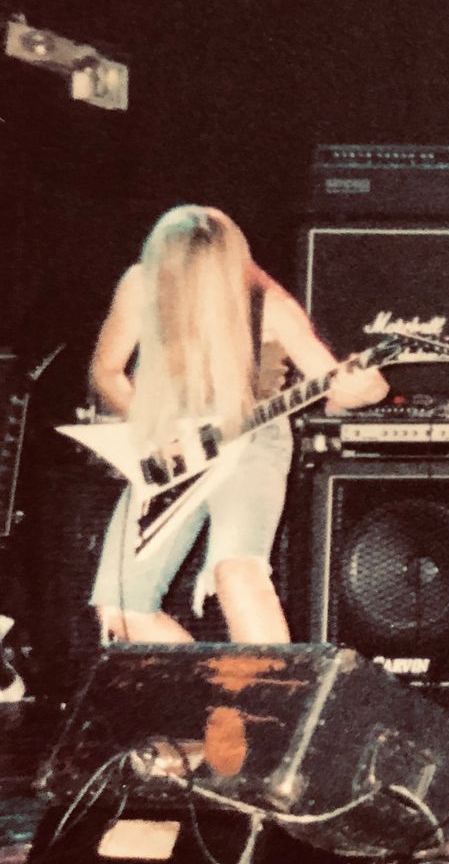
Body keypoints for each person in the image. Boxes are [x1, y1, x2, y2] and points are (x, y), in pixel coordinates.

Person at [89, 205, 387, 644]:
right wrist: (149, 427)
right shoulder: (141, 284)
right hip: (170, 446)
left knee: (237, 571)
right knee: (122, 613)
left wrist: (364, 387)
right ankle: (210, 684)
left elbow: (338, 387)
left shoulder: (269, 305)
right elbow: (106, 372)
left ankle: (273, 687)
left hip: (251, 439)